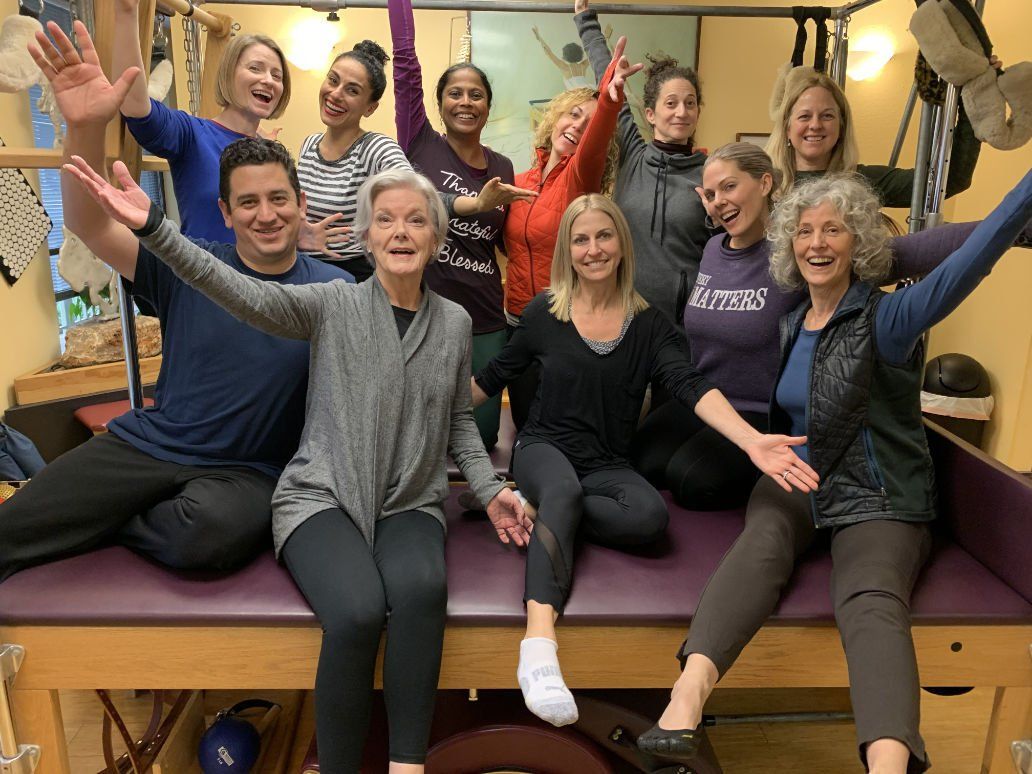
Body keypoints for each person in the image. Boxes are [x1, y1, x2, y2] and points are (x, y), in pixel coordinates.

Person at [68, 153, 532, 771]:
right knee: (358, 611)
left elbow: (458, 424)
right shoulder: (332, 303)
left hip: (409, 503)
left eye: (416, 220)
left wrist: (490, 488)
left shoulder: (453, 323)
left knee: (422, 591)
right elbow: (236, 290)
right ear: (366, 236)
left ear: (436, 237)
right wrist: (156, 229)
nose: (400, 232)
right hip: (320, 496)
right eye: (386, 219)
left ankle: (407, 765)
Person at [639, 169, 1032, 773]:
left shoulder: (890, 318)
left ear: (859, 244)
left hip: (879, 495)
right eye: (804, 231)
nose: (817, 243)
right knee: (760, 544)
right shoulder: (793, 320)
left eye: (834, 230)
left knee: (870, 598)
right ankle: (684, 701)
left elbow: (970, 260)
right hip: (799, 478)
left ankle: (888, 765)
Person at [0, 22, 348, 582]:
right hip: (149, 447)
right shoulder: (188, 264)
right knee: (10, 528)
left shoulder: (335, 288)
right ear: (225, 212)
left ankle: (111, 520)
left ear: (301, 204)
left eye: (279, 199)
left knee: (207, 537)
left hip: (247, 471)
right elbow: (90, 224)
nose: (266, 215)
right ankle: (103, 512)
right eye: (248, 203)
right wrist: (85, 126)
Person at [472, 194, 819, 729]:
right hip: (543, 448)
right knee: (561, 490)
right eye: (581, 240)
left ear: (621, 244)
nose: (593, 249)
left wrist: (750, 439)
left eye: (603, 236)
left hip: (607, 462)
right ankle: (538, 645)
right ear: (567, 250)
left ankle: (539, 508)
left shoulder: (650, 324)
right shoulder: (544, 312)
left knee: (649, 518)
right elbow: (492, 378)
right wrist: (425, 407)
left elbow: (689, 384)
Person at [633, 141, 1029, 510]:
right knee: (646, 460)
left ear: (764, 183)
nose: (719, 200)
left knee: (690, 482)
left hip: (760, 412)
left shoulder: (800, 251)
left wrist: (1014, 230)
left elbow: (914, 251)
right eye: (711, 193)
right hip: (710, 402)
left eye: (729, 186)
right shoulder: (712, 250)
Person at [450, 36, 637, 429]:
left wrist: (609, 103)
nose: (578, 126)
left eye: (588, 124)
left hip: (562, 322)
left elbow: (593, 145)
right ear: (555, 118)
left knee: (558, 423)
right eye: (573, 115)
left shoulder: (580, 179)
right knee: (522, 421)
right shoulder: (517, 181)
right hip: (516, 322)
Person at [111, 0, 342, 253]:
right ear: (229, 74)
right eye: (255, 68)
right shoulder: (192, 134)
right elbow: (134, 105)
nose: (268, 80)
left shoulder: (271, 153)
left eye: (277, 76)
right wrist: (126, 12)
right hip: (204, 275)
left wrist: (295, 238)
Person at [575, 0, 710, 325]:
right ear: (650, 114)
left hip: (683, 326)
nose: (682, 112)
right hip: (623, 316)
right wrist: (586, 21)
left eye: (690, 103)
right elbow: (610, 86)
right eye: (671, 103)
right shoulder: (634, 155)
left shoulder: (711, 172)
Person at [766, 65, 995, 207]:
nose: (815, 125)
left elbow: (951, 181)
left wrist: (972, 96)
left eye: (827, 116)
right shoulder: (764, 185)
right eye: (804, 116)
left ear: (842, 126)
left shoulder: (861, 181)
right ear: (787, 127)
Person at [297, 40, 413, 281]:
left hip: (350, 279)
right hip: (302, 269)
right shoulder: (309, 144)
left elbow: (418, 195)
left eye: (352, 90)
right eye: (333, 80)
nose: (335, 94)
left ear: (370, 108)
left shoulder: (376, 148)